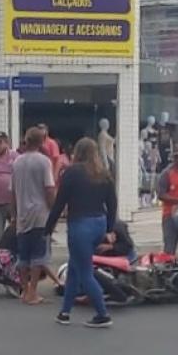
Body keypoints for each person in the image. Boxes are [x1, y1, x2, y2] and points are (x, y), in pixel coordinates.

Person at [46, 137, 117, 328]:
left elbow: (60, 203)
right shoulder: (104, 173)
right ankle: (65, 312)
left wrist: (49, 227)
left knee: (85, 272)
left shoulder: (72, 172)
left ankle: (102, 314)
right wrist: (110, 229)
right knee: (75, 268)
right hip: (99, 223)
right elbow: (112, 203)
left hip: (80, 224)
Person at [11, 127, 56, 305]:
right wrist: (54, 209)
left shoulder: (17, 162)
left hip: (22, 214)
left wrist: (13, 213)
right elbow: (49, 188)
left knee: (23, 256)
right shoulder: (44, 162)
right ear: (42, 142)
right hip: (40, 214)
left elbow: (12, 191)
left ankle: (24, 290)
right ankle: (33, 292)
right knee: (38, 256)